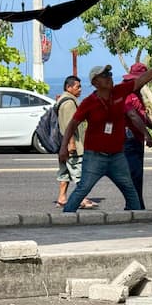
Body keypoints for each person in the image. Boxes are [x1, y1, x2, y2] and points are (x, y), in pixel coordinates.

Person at [57, 57, 152, 213]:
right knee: (82, 190)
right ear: (95, 82)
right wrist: (64, 147)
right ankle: (66, 217)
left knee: (130, 191)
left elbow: (143, 79)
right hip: (95, 157)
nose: (109, 77)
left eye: (109, 74)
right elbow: (72, 124)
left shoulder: (119, 91)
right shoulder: (89, 102)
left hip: (117, 156)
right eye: (104, 75)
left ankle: (137, 221)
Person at [122, 62, 152, 210]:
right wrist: (147, 135)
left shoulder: (136, 93)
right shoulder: (126, 92)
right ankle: (133, 207)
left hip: (136, 139)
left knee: (137, 175)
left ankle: (138, 206)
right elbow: (133, 116)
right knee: (133, 175)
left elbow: (142, 115)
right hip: (129, 139)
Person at [54, 75, 97, 210]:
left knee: (64, 172)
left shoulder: (63, 100)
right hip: (72, 146)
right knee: (78, 172)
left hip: (63, 145)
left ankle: (62, 198)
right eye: (77, 87)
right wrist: (71, 143)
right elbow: (69, 126)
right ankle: (82, 199)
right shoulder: (69, 103)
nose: (80, 89)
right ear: (69, 87)